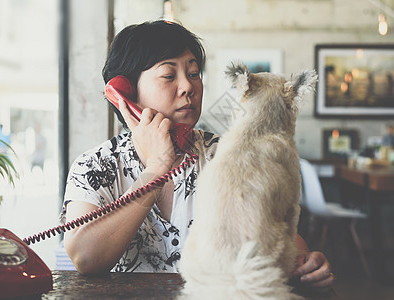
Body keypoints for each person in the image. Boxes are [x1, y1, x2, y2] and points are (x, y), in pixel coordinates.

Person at [62, 20, 334, 291]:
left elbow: (284, 240)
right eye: (169, 76)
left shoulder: (230, 153)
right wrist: (155, 170)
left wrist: (308, 262)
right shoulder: (96, 165)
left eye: (194, 74)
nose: (188, 87)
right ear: (127, 92)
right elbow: (86, 258)